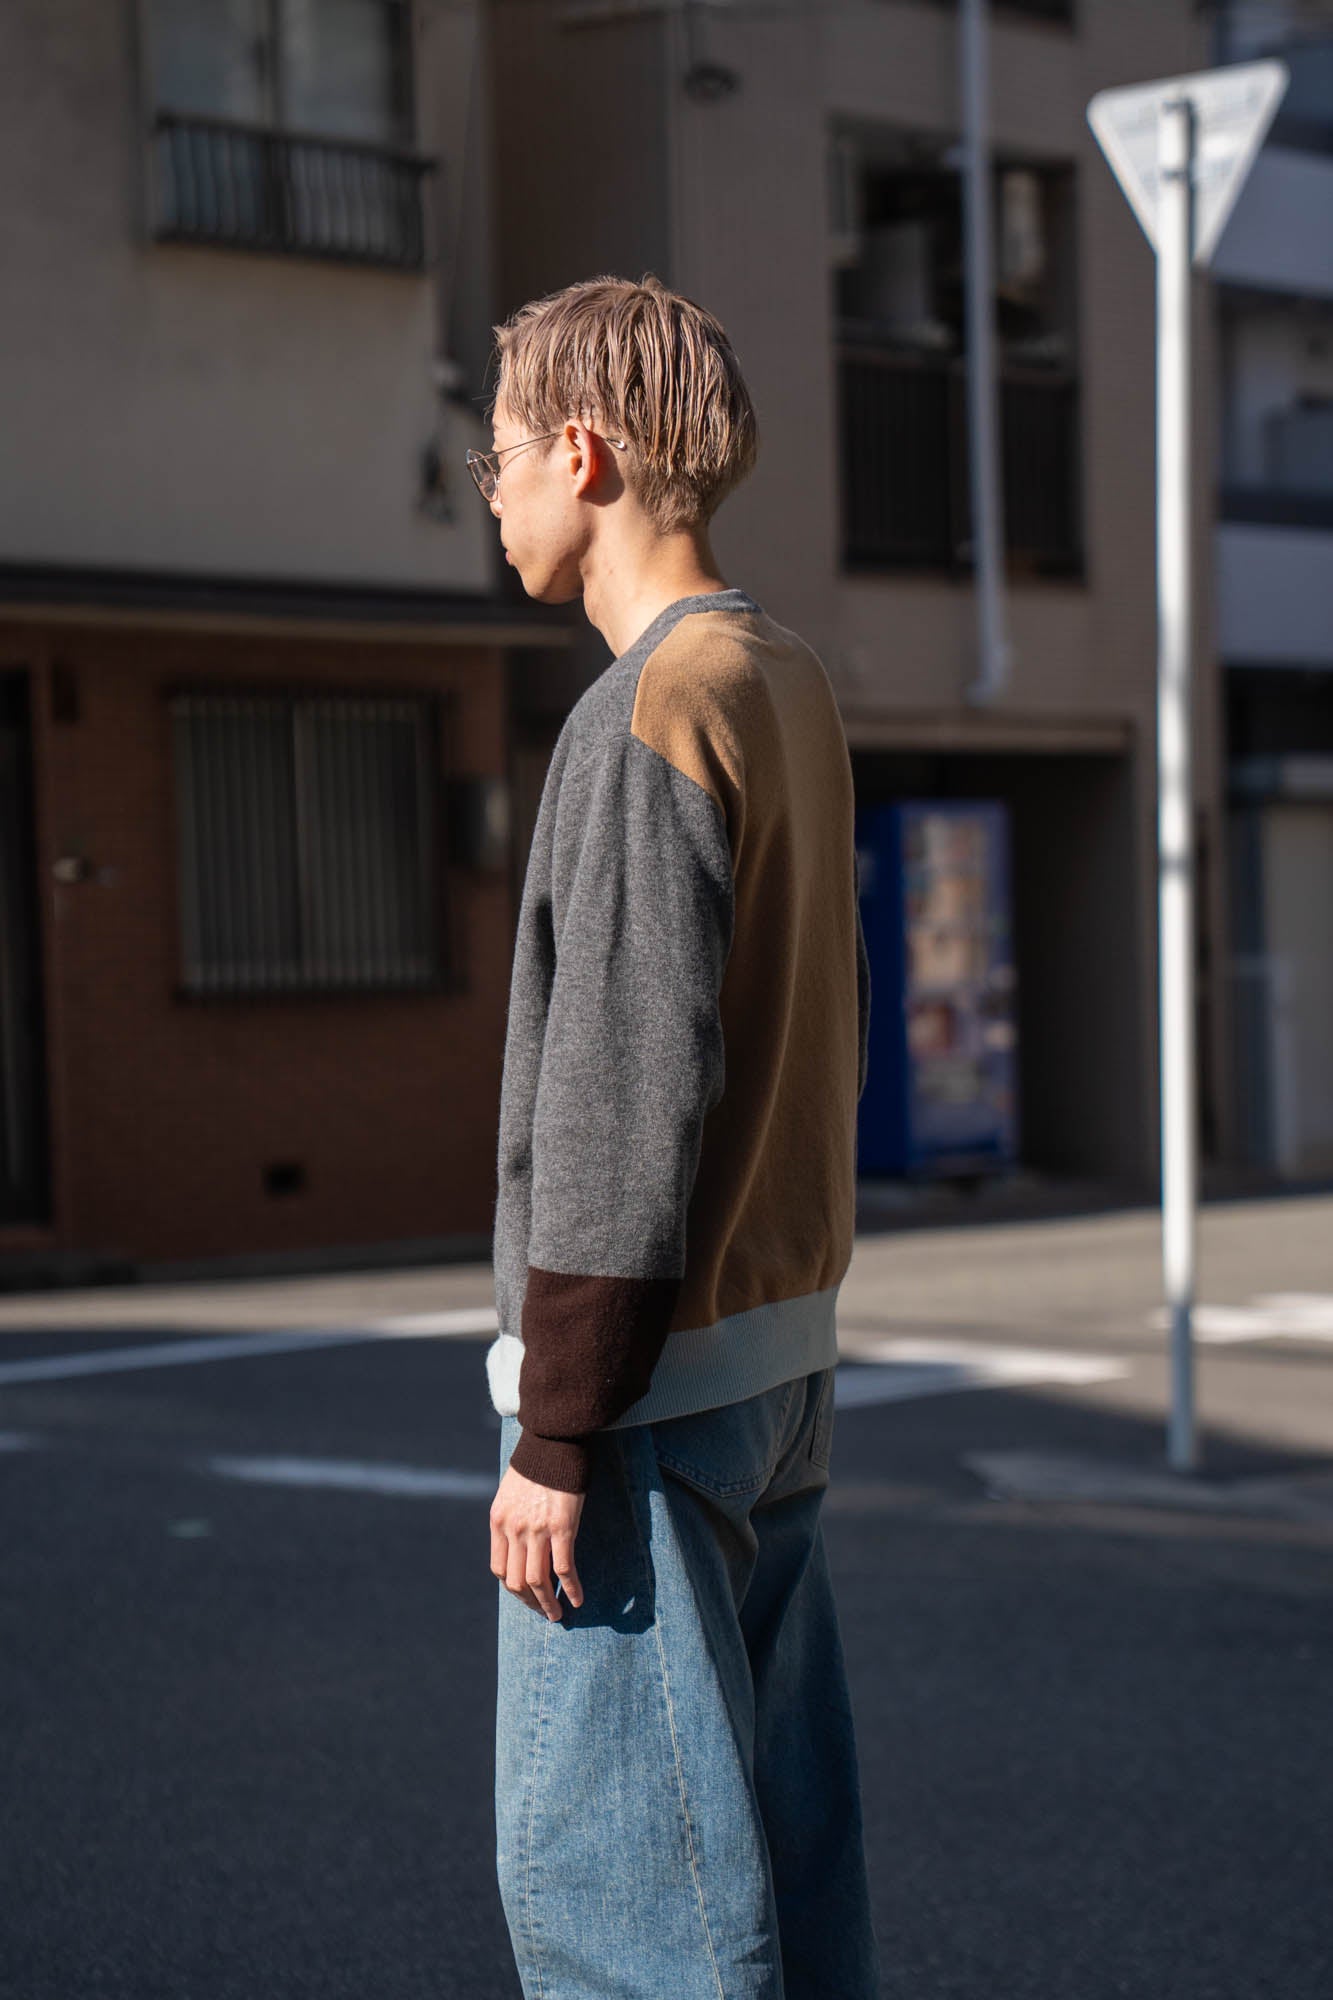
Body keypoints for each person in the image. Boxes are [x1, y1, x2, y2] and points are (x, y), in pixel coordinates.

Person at [471, 274, 881, 2000]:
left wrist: (558, 1429)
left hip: (647, 1392)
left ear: (581, 455)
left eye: (497, 456)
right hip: (774, 1357)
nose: (490, 494)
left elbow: (621, 1085)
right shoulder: (778, 677)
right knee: (774, 1845)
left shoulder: (646, 707)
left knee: (621, 1891)